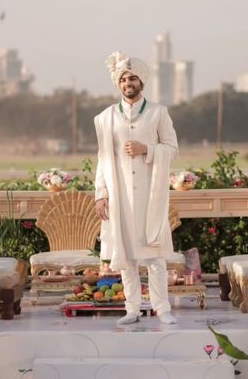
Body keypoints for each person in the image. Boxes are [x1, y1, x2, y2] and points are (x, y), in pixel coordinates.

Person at [94, 51, 179, 325]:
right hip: (119, 197)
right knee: (127, 256)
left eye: (132, 78)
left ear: (142, 82)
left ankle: (161, 307)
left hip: (149, 196)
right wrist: (101, 194)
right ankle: (132, 308)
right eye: (123, 79)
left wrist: (147, 149)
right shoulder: (107, 118)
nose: (127, 83)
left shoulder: (158, 113)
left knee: (154, 255)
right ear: (118, 84)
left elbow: (172, 149)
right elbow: (102, 159)